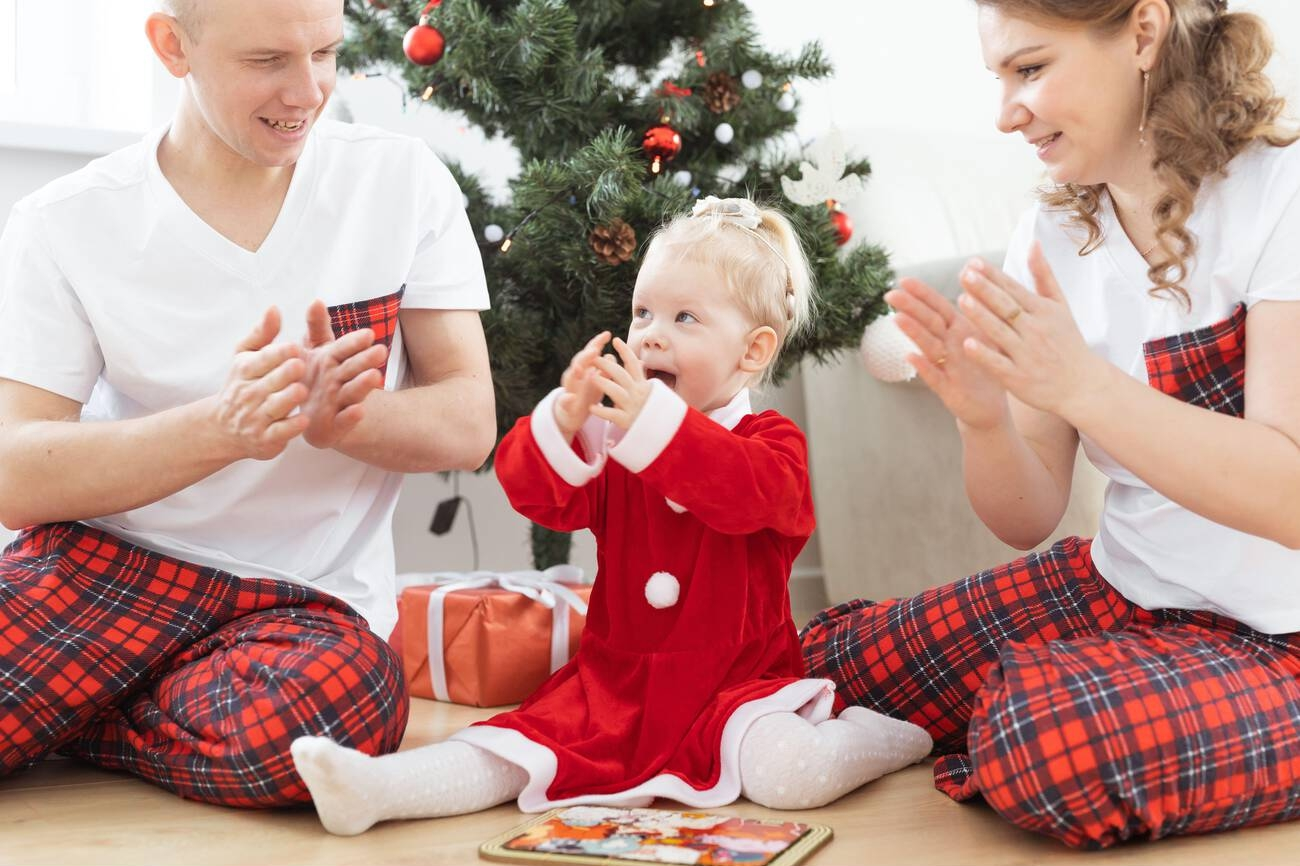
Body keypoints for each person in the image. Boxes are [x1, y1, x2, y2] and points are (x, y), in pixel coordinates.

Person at [801, 0, 1300, 850]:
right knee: (818, 671)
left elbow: (1288, 492)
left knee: (1044, 741)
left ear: (1144, 32)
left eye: (1030, 69)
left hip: (1279, 636)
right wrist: (983, 420)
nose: (1005, 114)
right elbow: (1028, 518)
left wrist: (1083, 386)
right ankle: (1110, 686)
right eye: (999, 78)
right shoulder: (1053, 230)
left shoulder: (1278, 194)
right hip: (1124, 591)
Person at [289, 196, 934, 835]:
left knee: (790, 777)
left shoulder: (771, 443)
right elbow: (538, 496)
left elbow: (742, 491)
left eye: (685, 317)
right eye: (643, 311)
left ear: (753, 351)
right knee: (512, 749)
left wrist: (658, 429)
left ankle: (878, 737)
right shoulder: (614, 441)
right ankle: (377, 789)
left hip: (736, 687)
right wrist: (562, 425)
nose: (650, 331)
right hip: (615, 686)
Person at [0, 0, 494, 807]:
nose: (306, 91)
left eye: (326, 53)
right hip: (105, 572)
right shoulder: (64, 222)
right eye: (266, 62)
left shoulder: (399, 182)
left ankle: (81, 714)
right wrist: (218, 430)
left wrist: (354, 422)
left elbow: (470, 421)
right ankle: (142, 710)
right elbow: (14, 475)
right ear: (173, 47)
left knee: (333, 718)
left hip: (306, 610)